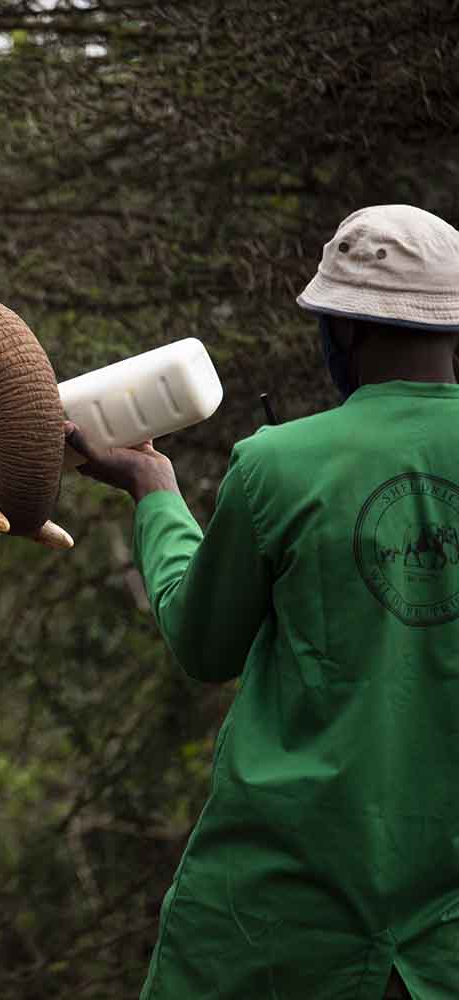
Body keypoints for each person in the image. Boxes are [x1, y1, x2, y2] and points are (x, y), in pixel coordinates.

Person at [66, 204, 459, 999]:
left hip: (282, 920)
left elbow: (204, 643)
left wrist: (153, 490)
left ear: (340, 330)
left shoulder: (278, 465)